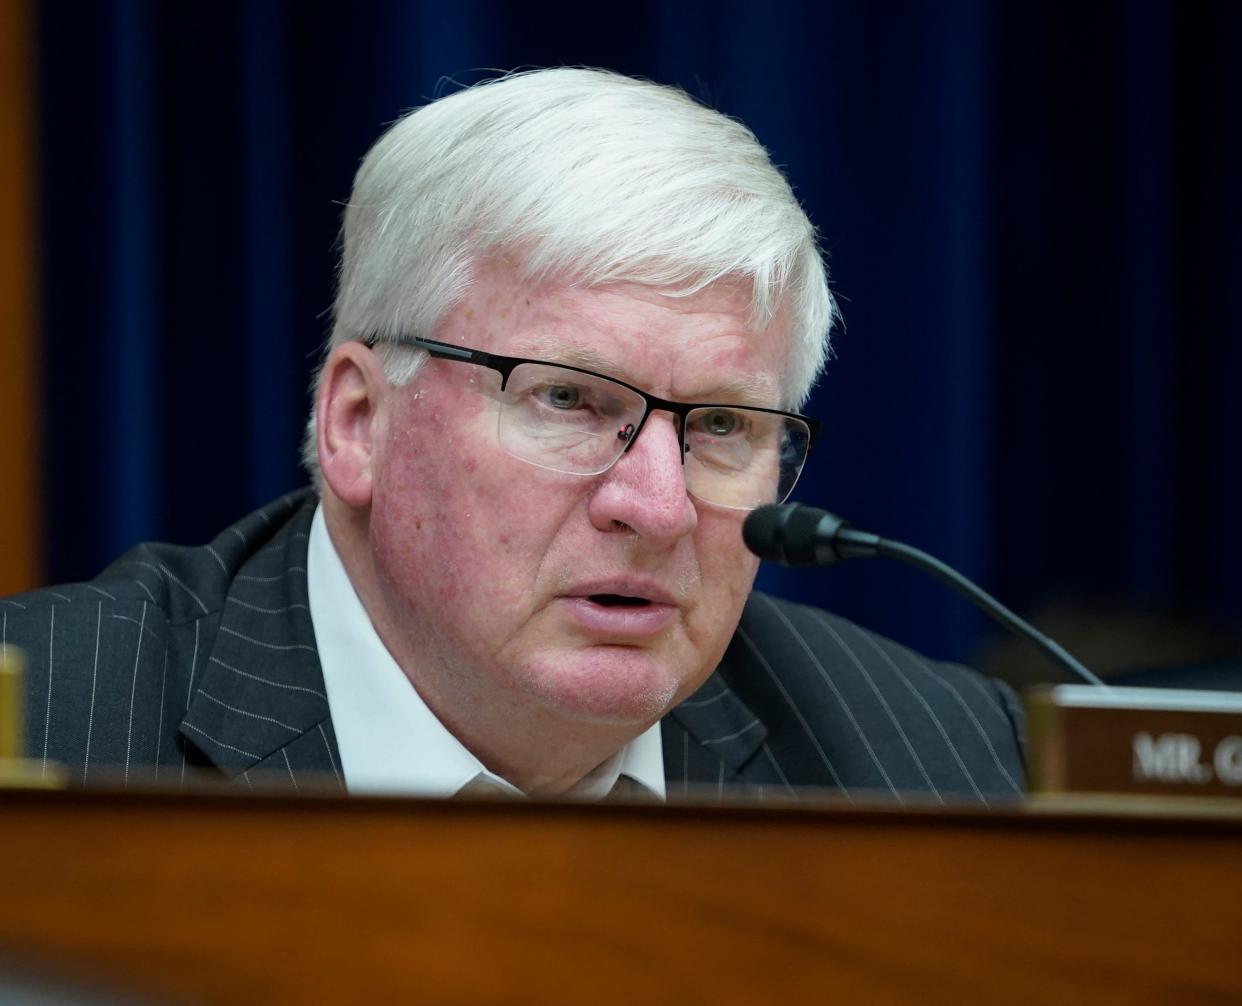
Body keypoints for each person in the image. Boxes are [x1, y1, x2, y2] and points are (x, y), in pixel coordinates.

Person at [4, 68, 1024, 802]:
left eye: (719, 424)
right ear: (359, 421)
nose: (658, 505)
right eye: (569, 401)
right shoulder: (53, 733)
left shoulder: (938, 766)